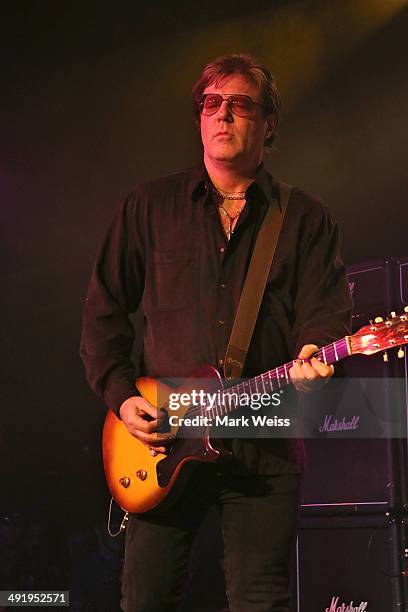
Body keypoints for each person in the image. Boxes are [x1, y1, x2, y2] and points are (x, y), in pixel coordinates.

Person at [80, 53, 352, 611]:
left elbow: (323, 319)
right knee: (145, 600)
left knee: (261, 601)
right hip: (161, 444)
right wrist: (123, 397)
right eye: (212, 104)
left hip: (263, 445)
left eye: (241, 104)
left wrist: (313, 357)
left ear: (269, 123)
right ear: (200, 119)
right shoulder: (151, 207)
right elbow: (104, 311)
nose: (223, 115)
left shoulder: (304, 218)